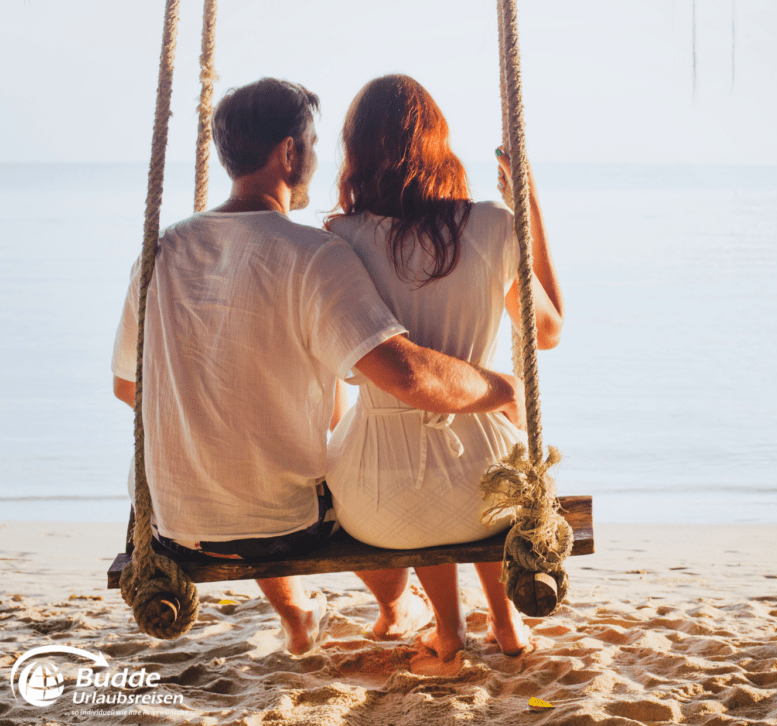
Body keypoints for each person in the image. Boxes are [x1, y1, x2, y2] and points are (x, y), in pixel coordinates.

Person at [110, 77, 525, 656]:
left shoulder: (162, 249)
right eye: (310, 142)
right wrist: (500, 386)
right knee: (336, 481)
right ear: (289, 153)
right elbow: (406, 376)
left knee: (273, 469)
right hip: (283, 529)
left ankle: (303, 616)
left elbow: (127, 386)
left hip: (173, 524)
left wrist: (214, 430)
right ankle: (394, 606)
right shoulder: (313, 254)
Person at [324, 75, 564, 661]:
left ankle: (449, 631)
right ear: (439, 142)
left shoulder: (339, 238)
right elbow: (548, 331)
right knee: (484, 480)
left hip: (380, 502)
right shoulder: (490, 226)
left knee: (421, 488)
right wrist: (526, 209)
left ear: (355, 151)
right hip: (487, 481)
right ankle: (507, 628)